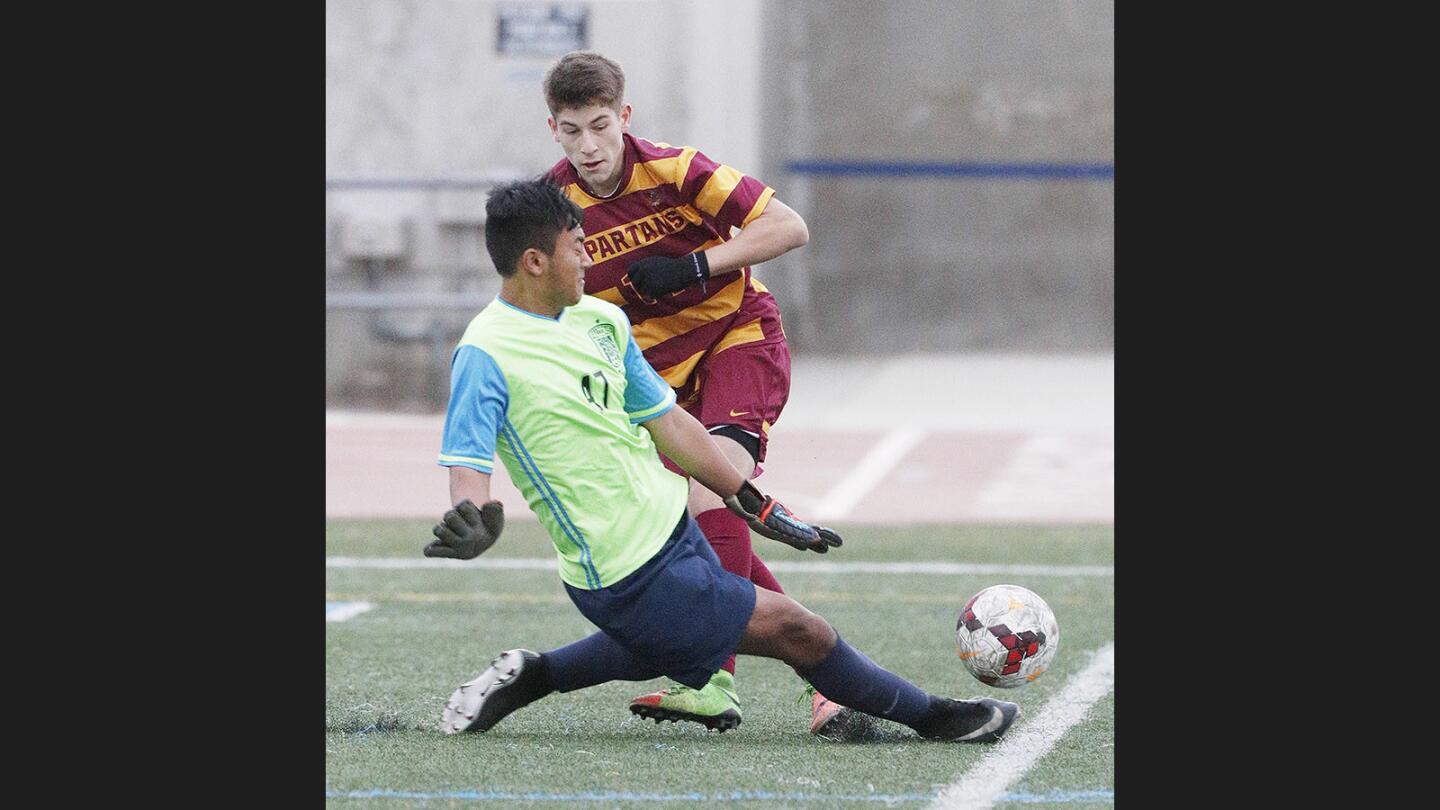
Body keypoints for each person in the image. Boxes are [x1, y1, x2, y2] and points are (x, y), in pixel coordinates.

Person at [430, 179, 1019, 746]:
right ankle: (936, 719)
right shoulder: (486, 352)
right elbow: (468, 462)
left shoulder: (599, 320)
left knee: (663, 650)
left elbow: (670, 422)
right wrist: (474, 518)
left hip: (673, 529)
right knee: (798, 630)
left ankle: (533, 675)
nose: (588, 259)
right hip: (623, 569)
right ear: (534, 262)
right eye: (577, 247)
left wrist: (751, 500)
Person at [538, 49, 854, 737]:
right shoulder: (553, 206)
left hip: (739, 337)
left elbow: (789, 227)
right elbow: (546, 310)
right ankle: (832, 682)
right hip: (658, 383)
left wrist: (694, 265)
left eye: (599, 126)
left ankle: (714, 680)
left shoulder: (679, 170)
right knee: (711, 521)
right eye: (571, 130)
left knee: (716, 485)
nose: (589, 146)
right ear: (553, 129)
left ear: (624, 116)